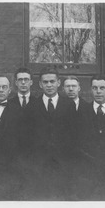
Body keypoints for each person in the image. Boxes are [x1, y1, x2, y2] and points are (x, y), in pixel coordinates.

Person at [33, 67, 76, 200]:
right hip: (39, 166)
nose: (49, 85)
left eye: (52, 81)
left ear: (58, 82)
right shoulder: (32, 106)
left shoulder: (69, 105)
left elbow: (74, 134)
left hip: (64, 164)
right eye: (45, 82)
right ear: (40, 84)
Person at [9, 67, 37, 155]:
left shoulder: (38, 103)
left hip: (34, 150)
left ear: (31, 82)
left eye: (26, 79)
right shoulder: (9, 104)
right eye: (20, 80)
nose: (23, 82)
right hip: (14, 151)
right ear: (16, 83)